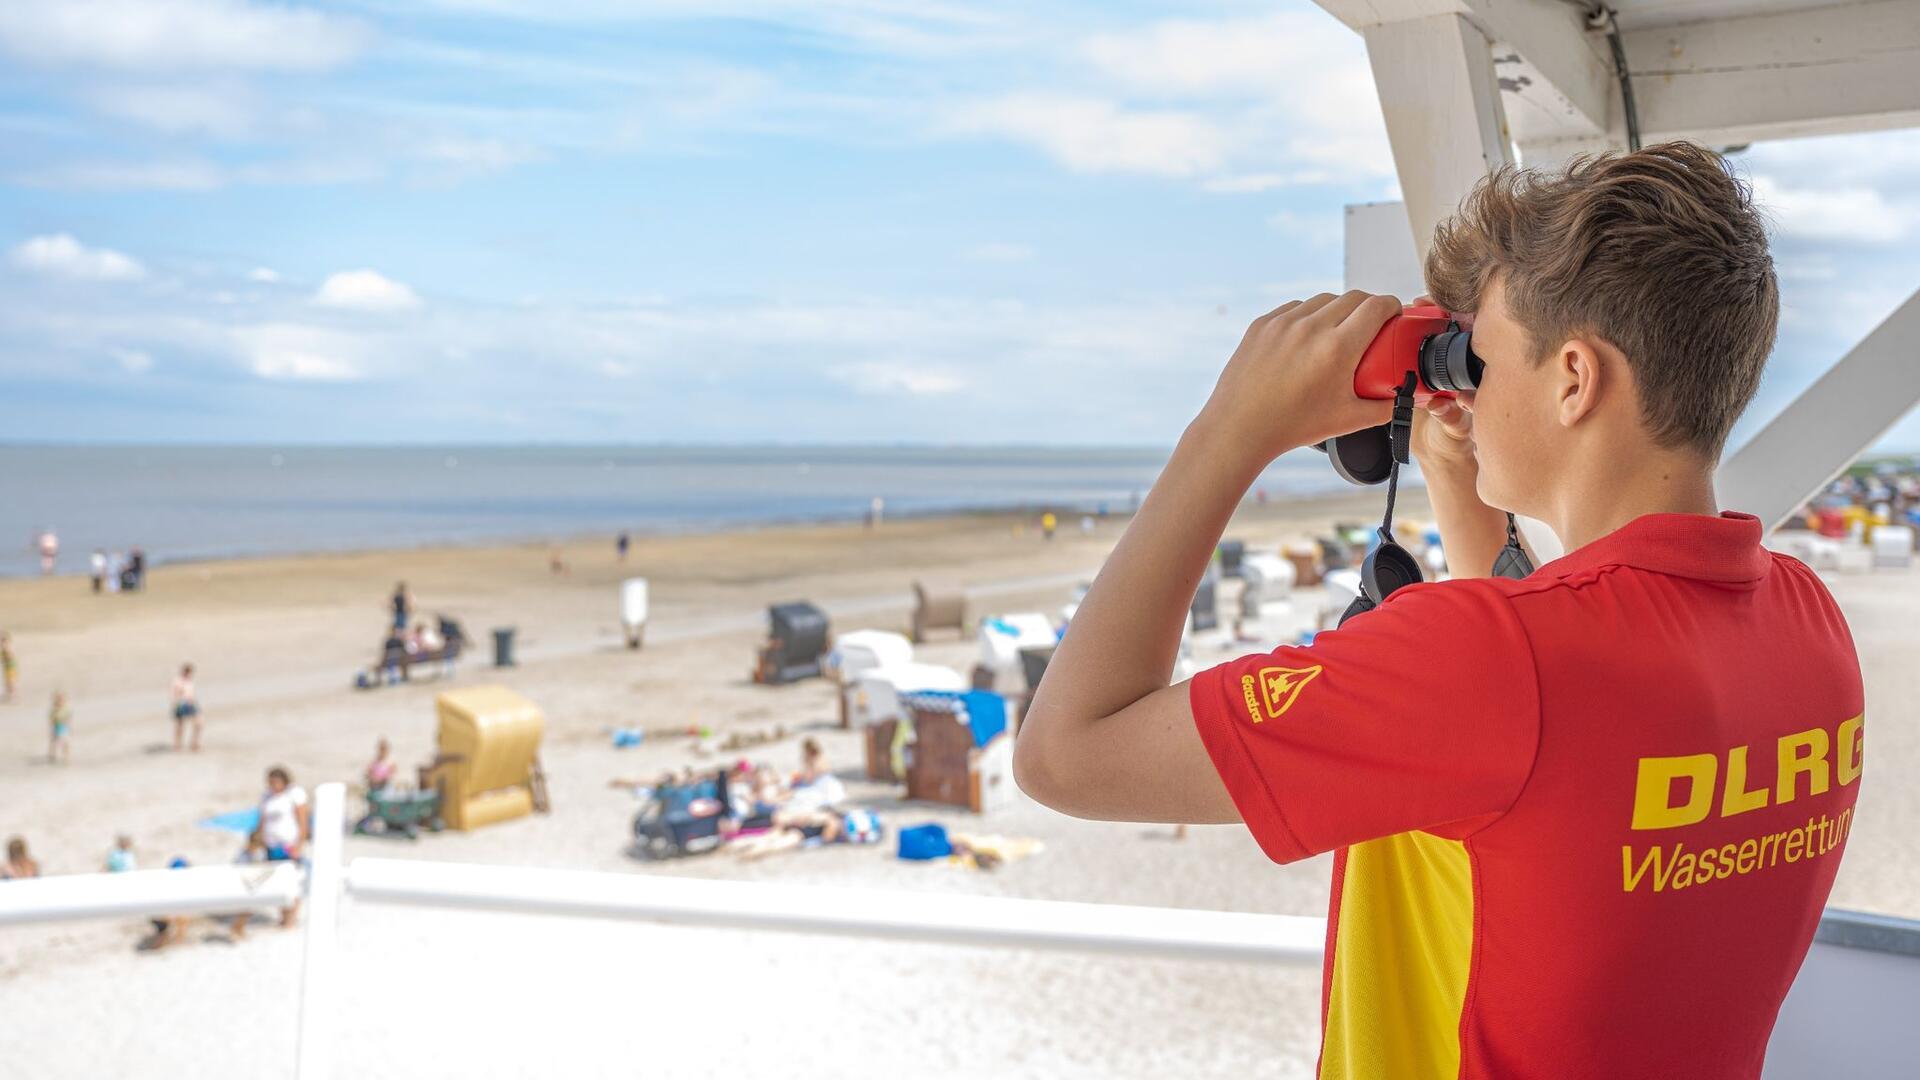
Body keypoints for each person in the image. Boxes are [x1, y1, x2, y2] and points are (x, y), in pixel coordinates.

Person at [1014, 144, 1863, 1078]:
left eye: (1485, 361)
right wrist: (1462, 487)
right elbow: (1541, 778)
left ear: (1574, 380)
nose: (1469, 388)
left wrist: (1231, 430)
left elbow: (1068, 755)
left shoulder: (1493, 663)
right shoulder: (1808, 625)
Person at [243, 766, 308, 929]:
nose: (273, 785)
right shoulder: (267, 797)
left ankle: (291, 916)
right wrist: (256, 840)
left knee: (292, 880)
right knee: (277, 880)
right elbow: (262, 821)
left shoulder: (294, 795)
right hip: (271, 844)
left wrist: (299, 844)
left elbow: (302, 822)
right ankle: (282, 914)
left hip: (288, 844)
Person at [171, 663, 202, 752]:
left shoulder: (190, 681)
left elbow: (191, 694)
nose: (188, 674)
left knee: (198, 723)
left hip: (191, 704)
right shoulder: (177, 681)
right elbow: (175, 694)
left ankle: (194, 743)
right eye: (187, 672)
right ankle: (177, 745)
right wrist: (176, 704)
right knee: (180, 726)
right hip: (181, 704)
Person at [48, 691, 72, 764]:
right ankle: (53, 755)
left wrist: (69, 727)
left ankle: (66, 756)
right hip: (57, 727)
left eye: (61, 700)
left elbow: (68, 719)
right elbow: (51, 720)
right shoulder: (54, 710)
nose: (60, 701)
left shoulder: (66, 709)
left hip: (64, 727)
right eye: (58, 700)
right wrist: (52, 728)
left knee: (65, 743)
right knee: (54, 742)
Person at [1, 632, 16, 702]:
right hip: (8, 667)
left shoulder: (7, 648)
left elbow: (10, 658)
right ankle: (9, 695)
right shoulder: (5, 648)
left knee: (10, 682)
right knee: (8, 682)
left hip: (10, 668)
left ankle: (13, 696)